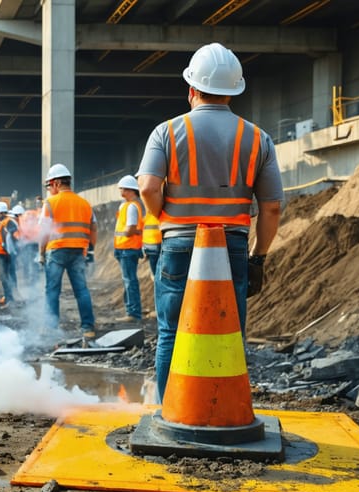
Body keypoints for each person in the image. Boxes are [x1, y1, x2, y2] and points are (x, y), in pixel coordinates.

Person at [136, 42, 283, 402]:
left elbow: (148, 187)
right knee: (228, 331)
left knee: (170, 331)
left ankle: (169, 411)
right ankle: (220, 409)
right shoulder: (257, 138)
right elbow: (272, 208)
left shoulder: (166, 132)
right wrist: (259, 256)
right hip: (230, 247)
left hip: (178, 244)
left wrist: (165, 217)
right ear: (234, 91)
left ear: (192, 89)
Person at [39, 163, 97, 338]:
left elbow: (44, 231)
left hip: (56, 250)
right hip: (78, 250)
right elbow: (94, 227)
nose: (49, 190)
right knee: (81, 290)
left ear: (56, 183)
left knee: (52, 290)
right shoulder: (84, 203)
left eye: (49, 186)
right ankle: (88, 328)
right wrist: (91, 249)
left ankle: (51, 328)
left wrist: (41, 252)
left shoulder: (50, 203)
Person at [114, 175, 144, 323]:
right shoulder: (125, 205)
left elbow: (130, 227)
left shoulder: (132, 206)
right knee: (128, 280)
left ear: (129, 190)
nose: (120, 190)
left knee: (129, 280)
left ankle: (133, 313)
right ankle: (131, 311)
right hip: (124, 248)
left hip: (128, 248)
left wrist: (128, 233)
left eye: (122, 188)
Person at [0, 202, 19, 306]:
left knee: (5, 276)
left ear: (1, 213)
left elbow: (10, 237)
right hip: (2, 252)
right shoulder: (4, 222)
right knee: (5, 276)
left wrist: (7, 248)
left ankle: (9, 299)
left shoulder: (8, 222)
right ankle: (8, 297)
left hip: (5, 253)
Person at [142, 211, 161, 277]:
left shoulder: (148, 215)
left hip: (153, 245)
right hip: (152, 245)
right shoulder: (148, 215)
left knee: (156, 272)